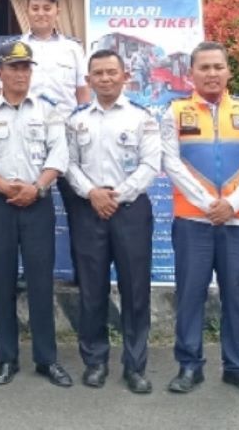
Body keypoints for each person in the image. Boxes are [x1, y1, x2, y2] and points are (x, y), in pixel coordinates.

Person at [161, 41, 239, 398]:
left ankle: (238, 367)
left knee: (236, 297)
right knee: (190, 296)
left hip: (238, 223)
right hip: (193, 222)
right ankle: (189, 366)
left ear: (228, 72)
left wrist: (235, 203)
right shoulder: (175, 113)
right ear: (191, 73)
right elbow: (171, 163)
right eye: (204, 67)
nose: (211, 73)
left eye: (217, 67)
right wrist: (210, 202)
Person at [0, 39, 72, 388]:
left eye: (26, 67)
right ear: (0, 73)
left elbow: (59, 155)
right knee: (2, 283)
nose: (20, 73)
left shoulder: (48, 110)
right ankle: (6, 358)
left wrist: (37, 188)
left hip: (38, 201)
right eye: (13, 67)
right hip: (0, 203)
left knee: (41, 283)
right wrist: (1, 185)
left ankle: (47, 359)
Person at [65, 49, 160, 394]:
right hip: (89, 210)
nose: (105, 78)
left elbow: (151, 164)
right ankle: (95, 361)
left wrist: (115, 195)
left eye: (111, 72)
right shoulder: (76, 120)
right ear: (88, 80)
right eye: (98, 73)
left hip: (130, 210)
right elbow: (69, 164)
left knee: (136, 290)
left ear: (125, 76)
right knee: (92, 290)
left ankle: (135, 366)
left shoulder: (141, 117)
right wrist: (92, 193)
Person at [0, 0, 90, 284]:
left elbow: (83, 95)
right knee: (29, 206)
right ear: (27, 11)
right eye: (35, 7)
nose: (41, 13)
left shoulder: (73, 49)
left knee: (79, 207)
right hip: (28, 139)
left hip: (69, 137)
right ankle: (28, 274)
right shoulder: (13, 48)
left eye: (47, 8)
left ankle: (82, 274)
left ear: (57, 12)